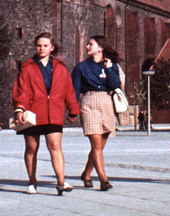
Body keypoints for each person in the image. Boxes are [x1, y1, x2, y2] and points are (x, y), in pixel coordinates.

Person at [12, 31, 79, 195]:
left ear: (51, 48)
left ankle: (61, 182)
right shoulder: (27, 67)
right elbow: (22, 90)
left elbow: (68, 90)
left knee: (55, 146)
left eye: (45, 46)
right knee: (31, 148)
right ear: (35, 47)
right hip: (32, 112)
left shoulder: (60, 68)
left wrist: (73, 110)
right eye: (39, 45)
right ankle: (32, 181)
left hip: (54, 112)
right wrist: (20, 108)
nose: (42, 48)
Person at [72, 35, 124, 192]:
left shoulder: (111, 65)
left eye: (91, 44)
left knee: (100, 146)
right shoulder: (81, 67)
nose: (87, 47)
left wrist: (109, 69)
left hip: (107, 103)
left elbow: (116, 85)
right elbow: (74, 89)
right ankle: (103, 180)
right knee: (96, 144)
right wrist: (73, 109)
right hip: (89, 102)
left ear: (100, 48)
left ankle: (86, 174)